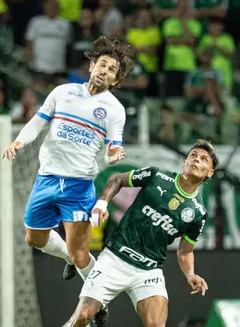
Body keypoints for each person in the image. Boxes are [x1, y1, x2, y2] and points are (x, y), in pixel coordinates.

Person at [3, 36, 134, 326]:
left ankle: (98, 303)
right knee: (34, 238)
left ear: (115, 79)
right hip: (46, 178)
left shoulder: (114, 110)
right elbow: (38, 121)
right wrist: (18, 142)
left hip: (78, 187)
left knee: (81, 253)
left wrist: (113, 154)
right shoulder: (63, 92)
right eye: (102, 64)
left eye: (112, 70)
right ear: (91, 66)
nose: (105, 71)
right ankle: (66, 257)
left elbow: (113, 151)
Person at [65, 140, 219, 327]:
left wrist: (191, 275)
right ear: (185, 161)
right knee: (82, 317)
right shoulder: (157, 176)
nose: (196, 160)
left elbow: (185, 251)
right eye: (193, 155)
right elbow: (118, 179)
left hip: (148, 271)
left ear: (209, 173)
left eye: (203, 159)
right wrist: (103, 203)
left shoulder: (197, 212)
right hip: (115, 258)